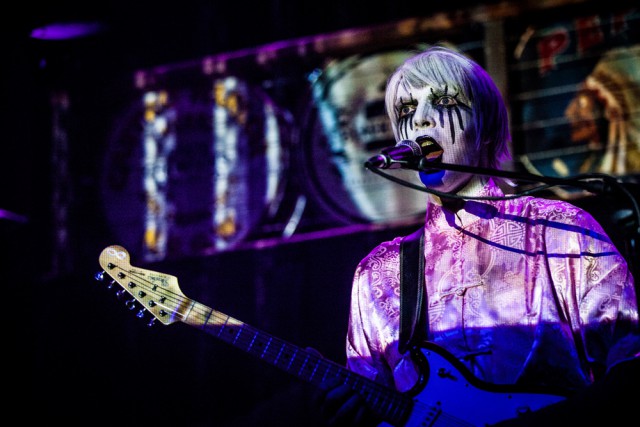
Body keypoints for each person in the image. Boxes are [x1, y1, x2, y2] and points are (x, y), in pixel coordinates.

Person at [315, 45, 640, 426]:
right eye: (406, 110)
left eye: (443, 102)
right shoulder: (379, 276)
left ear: (484, 125)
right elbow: (373, 404)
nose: (419, 120)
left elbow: (630, 363)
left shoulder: (561, 232)